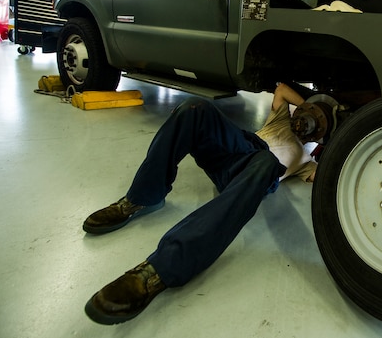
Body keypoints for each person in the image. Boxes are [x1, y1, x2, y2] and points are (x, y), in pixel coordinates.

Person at [82, 83, 317, 325]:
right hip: (237, 151)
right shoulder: (281, 120)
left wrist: (331, 138)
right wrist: (312, 109)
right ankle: (141, 198)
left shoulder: (307, 161)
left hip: (256, 174)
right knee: (195, 108)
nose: (304, 126)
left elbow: (327, 179)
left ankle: (160, 269)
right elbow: (281, 90)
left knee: (267, 160)